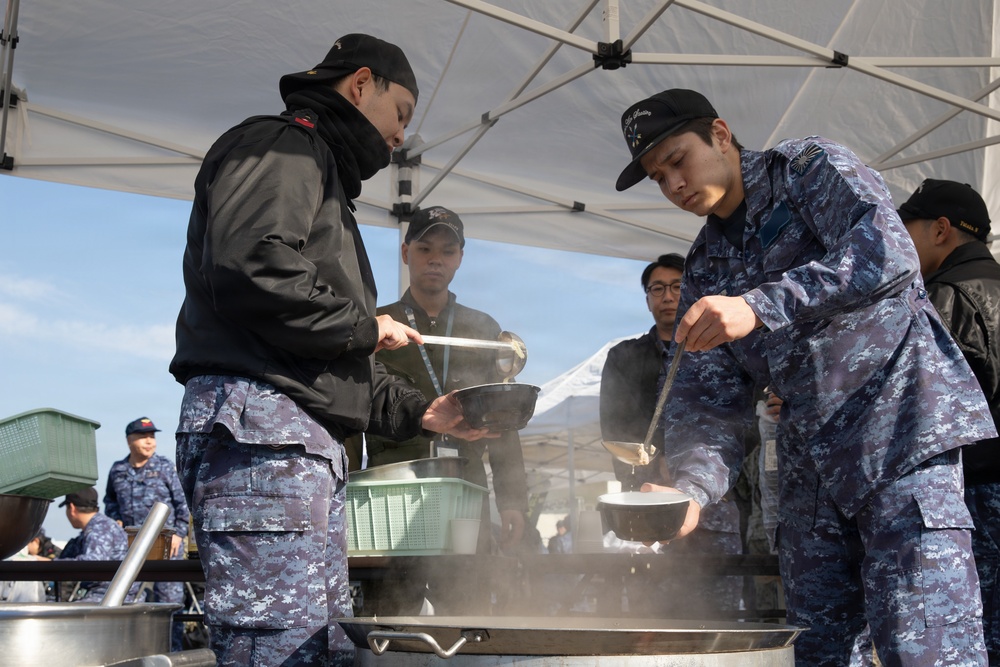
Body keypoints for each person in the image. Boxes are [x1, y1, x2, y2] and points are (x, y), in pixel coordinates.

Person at [615, 88, 995, 665]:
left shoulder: (805, 169)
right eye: (656, 177)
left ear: (720, 134)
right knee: (821, 649)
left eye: (677, 160)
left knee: (925, 642)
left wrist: (761, 305)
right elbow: (705, 403)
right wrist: (691, 491)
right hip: (812, 469)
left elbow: (888, 251)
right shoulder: (705, 268)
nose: (672, 185)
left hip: (897, 437)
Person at [169, 34, 489, 667]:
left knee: (321, 649)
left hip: (292, 442)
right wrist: (366, 326)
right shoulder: (284, 145)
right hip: (261, 434)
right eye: (401, 112)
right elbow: (251, 262)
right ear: (361, 84)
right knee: (279, 652)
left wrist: (417, 412)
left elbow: (318, 352)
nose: (401, 136)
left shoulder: (323, 177)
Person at [358, 205, 529, 555]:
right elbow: (349, 408)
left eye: (447, 251)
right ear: (406, 253)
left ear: (460, 258)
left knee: (467, 600)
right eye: (424, 249)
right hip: (392, 486)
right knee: (390, 602)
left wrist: (513, 500)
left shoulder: (483, 329)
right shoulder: (378, 324)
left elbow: (503, 418)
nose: (435, 259)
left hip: (465, 484)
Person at [600, 252, 743, 616]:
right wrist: (651, 466)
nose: (667, 296)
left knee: (719, 618)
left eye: (677, 286)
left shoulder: (723, 350)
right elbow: (614, 427)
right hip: (650, 506)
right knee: (653, 617)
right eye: (657, 288)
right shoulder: (624, 357)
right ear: (647, 298)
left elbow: (743, 424)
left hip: (715, 509)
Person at [898, 178, 1000, 663]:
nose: (900, 242)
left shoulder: (946, 298)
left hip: (973, 493)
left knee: (969, 631)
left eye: (907, 229)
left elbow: (918, 407)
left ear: (941, 229)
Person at [105, 416, 189, 650]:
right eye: (143, 436)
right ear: (129, 440)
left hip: (166, 544)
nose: (149, 441)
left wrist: (180, 534)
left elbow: (183, 504)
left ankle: (173, 653)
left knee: (169, 601)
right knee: (127, 598)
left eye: (152, 436)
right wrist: (116, 522)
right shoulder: (118, 470)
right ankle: (130, 651)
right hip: (131, 545)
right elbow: (109, 502)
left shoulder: (164, 467)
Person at [55, 487, 136, 603]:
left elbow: (93, 563)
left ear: (72, 508)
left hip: (110, 596)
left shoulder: (100, 529)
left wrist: (51, 564)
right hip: (111, 594)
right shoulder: (100, 526)